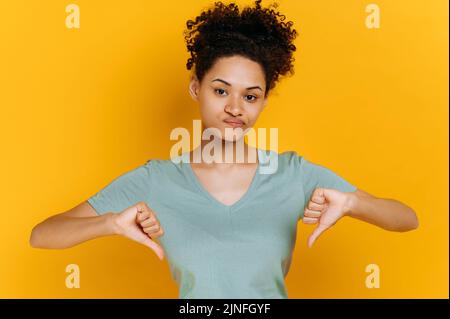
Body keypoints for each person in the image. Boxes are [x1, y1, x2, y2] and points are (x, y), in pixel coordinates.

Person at [29, 0, 419, 299]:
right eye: (220, 91)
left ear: (264, 102)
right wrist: (110, 223)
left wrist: (353, 204)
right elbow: (43, 234)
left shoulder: (293, 174)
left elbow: (406, 218)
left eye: (250, 96)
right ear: (196, 89)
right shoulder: (156, 180)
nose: (235, 108)